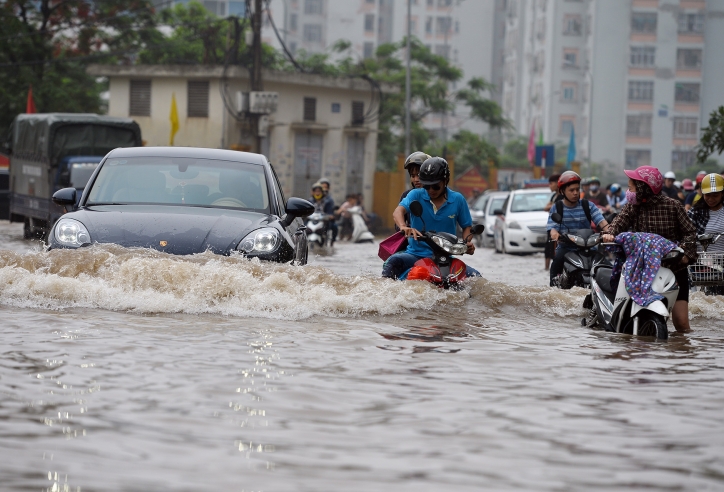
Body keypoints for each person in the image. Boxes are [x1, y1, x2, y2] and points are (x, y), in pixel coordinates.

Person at [603, 166, 697, 333]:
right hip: (642, 267)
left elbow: (690, 233)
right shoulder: (633, 206)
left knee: (682, 324)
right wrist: (610, 234)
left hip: (674, 268)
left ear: (643, 188)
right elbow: (618, 223)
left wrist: (685, 255)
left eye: (631, 186)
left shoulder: (673, 206)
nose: (628, 190)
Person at [382, 157, 480, 279]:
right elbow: (398, 211)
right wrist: (403, 226)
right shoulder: (415, 195)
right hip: (415, 254)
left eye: (435, 186)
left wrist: (467, 243)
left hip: (446, 256)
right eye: (427, 186)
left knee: (476, 277)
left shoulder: (458, 199)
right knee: (394, 261)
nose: (431, 190)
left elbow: (467, 226)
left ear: (446, 181)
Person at [547, 171, 610, 286]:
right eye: (571, 190)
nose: (576, 193)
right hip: (567, 248)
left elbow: (602, 223)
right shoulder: (557, 207)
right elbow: (552, 228)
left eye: (577, 189)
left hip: (589, 247)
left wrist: (609, 232)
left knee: (610, 269)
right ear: (562, 191)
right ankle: (553, 289)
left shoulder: (588, 205)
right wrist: (555, 234)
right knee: (556, 264)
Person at [688, 173, 724, 253]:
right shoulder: (694, 212)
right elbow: (687, 236)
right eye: (707, 195)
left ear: (722, 194)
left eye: (715, 196)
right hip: (701, 262)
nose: (711, 199)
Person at [396, 151, 431, 230]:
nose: (416, 180)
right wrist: (404, 228)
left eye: (419, 175)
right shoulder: (407, 195)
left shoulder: (436, 195)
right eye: (413, 176)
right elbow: (398, 216)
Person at [544, 173, 562, 271]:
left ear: (557, 183)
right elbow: (546, 207)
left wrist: (551, 206)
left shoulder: (562, 197)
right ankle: (546, 268)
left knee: (556, 249)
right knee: (548, 248)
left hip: (558, 226)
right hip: (551, 225)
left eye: (551, 183)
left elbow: (549, 207)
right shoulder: (554, 196)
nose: (549, 186)